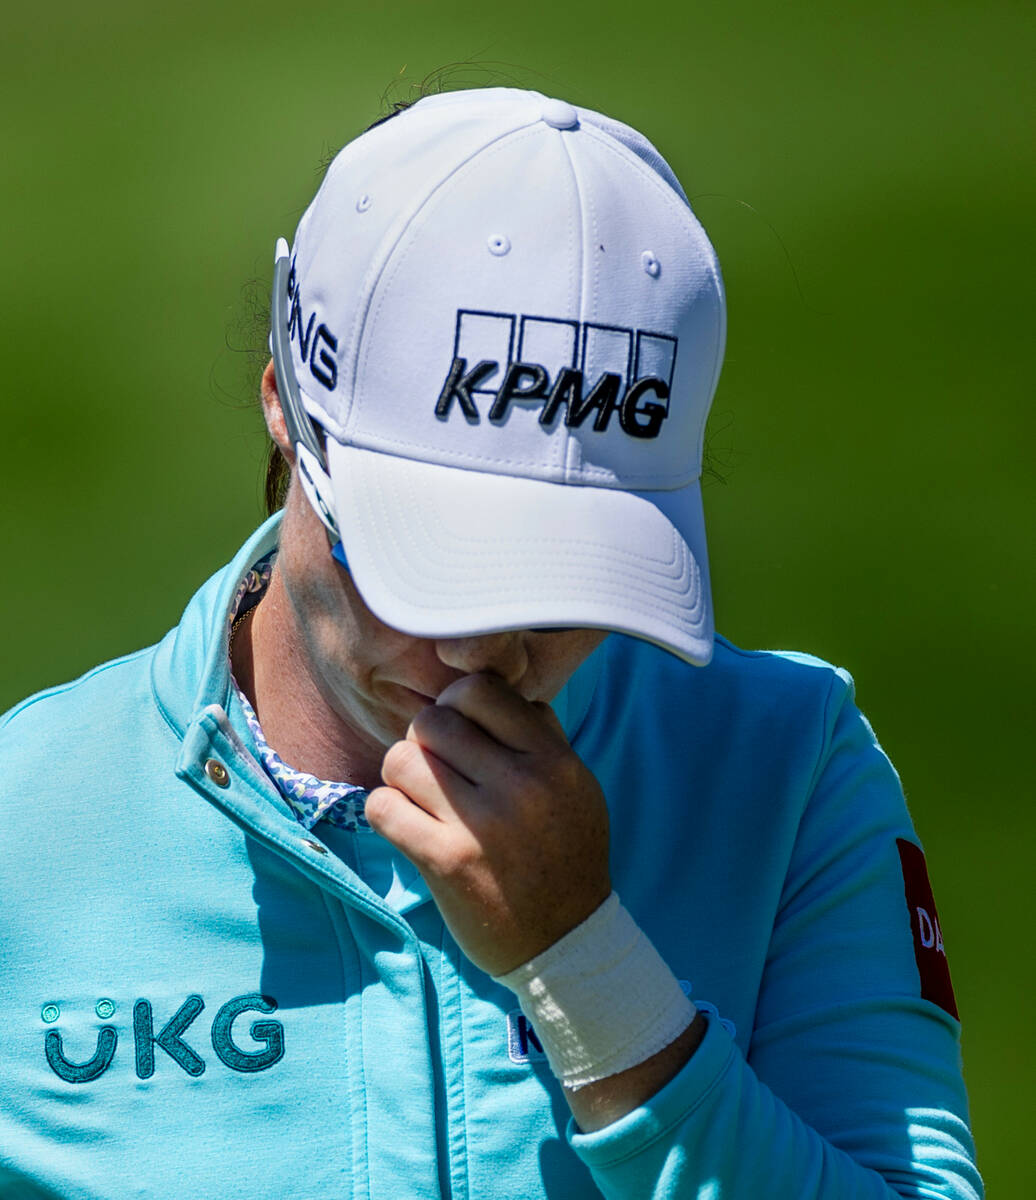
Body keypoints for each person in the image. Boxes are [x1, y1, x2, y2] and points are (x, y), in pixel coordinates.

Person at [0, 86, 982, 1199]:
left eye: (566, 583)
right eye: (432, 569)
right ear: (286, 403)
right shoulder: (19, 833)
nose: (485, 658)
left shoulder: (787, 767)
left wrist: (592, 973)